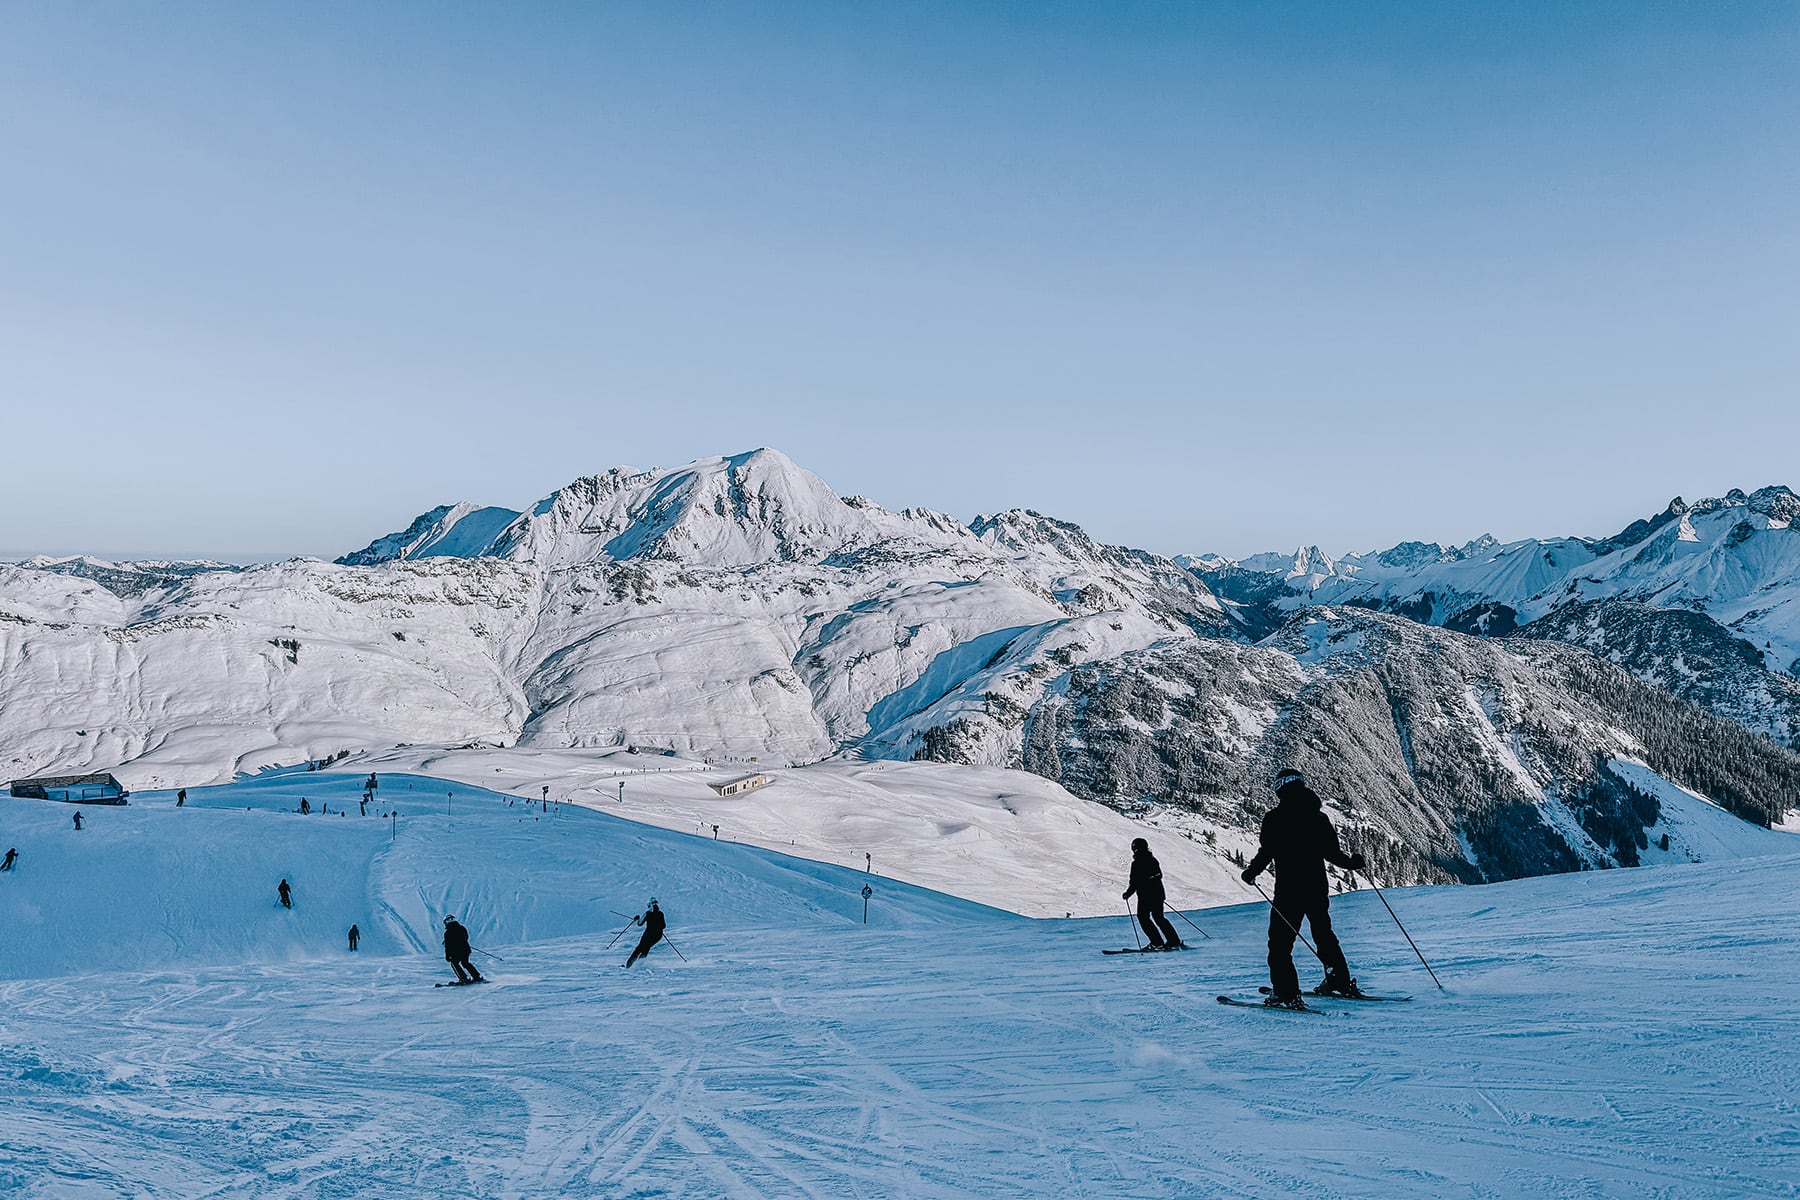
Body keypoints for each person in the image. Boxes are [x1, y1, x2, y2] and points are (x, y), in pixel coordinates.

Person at [1241, 770, 1367, 1008]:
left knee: (1280, 943)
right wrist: (1353, 863)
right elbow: (1332, 853)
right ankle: (1339, 980)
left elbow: (1266, 851)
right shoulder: (1318, 817)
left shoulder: (1275, 818)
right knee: (1324, 935)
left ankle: (1286, 992)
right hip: (1317, 887)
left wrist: (1251, 873)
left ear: (1279, 789)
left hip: (1289, 890)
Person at [1122, 837, 1183, 950]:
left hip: (1145, 896)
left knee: (1143, 918)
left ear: (1134, 849)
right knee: (1159, 918)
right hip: (1158, 894)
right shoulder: (1153, 860)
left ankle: (1157, 943)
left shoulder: (1136, 863)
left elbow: (1134, 882)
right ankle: (1174, 941)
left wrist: (1128, 894)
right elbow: (1159, 875)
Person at [624, 899, 666, 967]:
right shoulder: (661, 913)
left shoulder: (647, 913)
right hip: (658, 935)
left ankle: (629, 965)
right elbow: (663, 926)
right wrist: (657, 927)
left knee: (639, 949)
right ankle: (639, 964)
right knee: (646, 948)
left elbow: (640, 924)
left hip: (648, 935)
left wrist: (637, 918)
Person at [443, 915, 482, 982]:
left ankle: (463, 978)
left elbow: (448, 946)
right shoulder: (462, 928)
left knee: (454, 963)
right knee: (465, 963)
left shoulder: (448, 932)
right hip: (466, 950)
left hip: (456, 952)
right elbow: (466, 937)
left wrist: (447, 955)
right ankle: (476, 976)